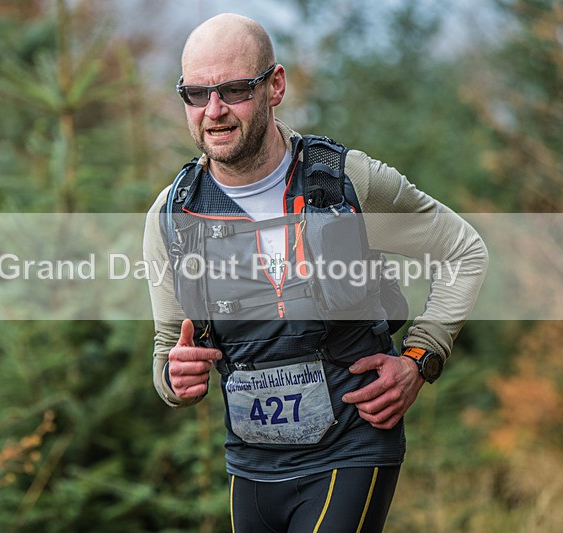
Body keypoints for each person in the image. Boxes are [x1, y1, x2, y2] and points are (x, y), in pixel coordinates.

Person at [143, 13, 487, 533]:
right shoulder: (173, 213)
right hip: (251, 465)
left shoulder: (346, 182)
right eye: (196, 94)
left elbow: (464, 250)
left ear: (274, 86)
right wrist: (174, 377)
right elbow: (169, 347)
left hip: (352, 442)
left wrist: (421, 357)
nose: (213, 111)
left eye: (234, 90)